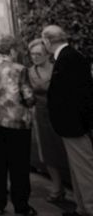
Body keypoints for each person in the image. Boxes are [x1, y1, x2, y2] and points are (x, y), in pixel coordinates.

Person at [0, 33, 36, 215]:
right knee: (19, 165)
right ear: (11, 48)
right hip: (15, 122)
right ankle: (21, 205)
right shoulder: (19, 69)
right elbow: (29, 98)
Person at [43, 25, 93, 216]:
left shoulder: (67, 58)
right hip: (73, 124)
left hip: (74, 124)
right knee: (77, 169)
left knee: (84, 169)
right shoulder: (71, 56)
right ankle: (81, 207)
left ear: (47, 41)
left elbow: (75, 95)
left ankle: (89, 207)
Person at [27, 38, 68, 203]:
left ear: (47, 54)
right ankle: (57, 188)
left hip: (61, 113)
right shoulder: (29, 72)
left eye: (39, 54)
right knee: (48, 151)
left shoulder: (57, 68)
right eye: (32, 54)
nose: (35, 57)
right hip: (41, 114)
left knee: (64, 149)